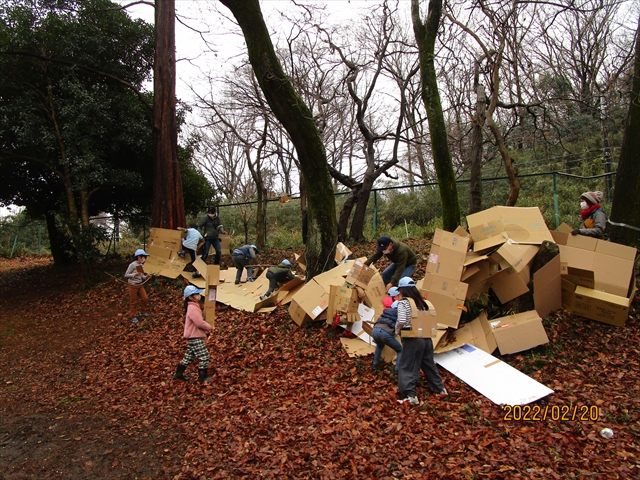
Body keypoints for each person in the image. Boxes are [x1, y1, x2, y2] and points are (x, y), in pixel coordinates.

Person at [394, 277, 447, 405]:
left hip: (413, 338)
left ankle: (409, 395)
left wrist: (397, 331)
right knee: (429, 365)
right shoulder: (424, 302)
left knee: (407, 366)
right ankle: (440, 389)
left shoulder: (404, 303)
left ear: (403, 290)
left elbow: (401, 320)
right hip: (427, 338)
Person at [173, 285, 213, 383]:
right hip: (195, 336)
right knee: (204, 356)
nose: (198, 296)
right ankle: (203, 377)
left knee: (189, 357)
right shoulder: (193, 308)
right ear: (190, 297)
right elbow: (199, 322)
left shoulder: (192, 306)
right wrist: (210, 328)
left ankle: (178, 374)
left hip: (192, 336)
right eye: (196, 294)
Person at [371, 289, 402, 374]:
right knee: (400, 350)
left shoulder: (385, 311)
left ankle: (375, 364)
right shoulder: (399, 313)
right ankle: (397, 370)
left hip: (375, 330)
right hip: (385, 333)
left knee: (380, 345)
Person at [124, 249, 151, 324]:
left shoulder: (140, 265)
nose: (144, 259)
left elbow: (141, 277)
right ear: (139, 257)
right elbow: (126, 275)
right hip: (132, 285)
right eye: (143, 257)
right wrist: (134, 274)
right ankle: (133, 316)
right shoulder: (132, 265)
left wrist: (146, 277)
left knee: (145, 298)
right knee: (133, 301)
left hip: (140, 285)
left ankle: (143, 312)